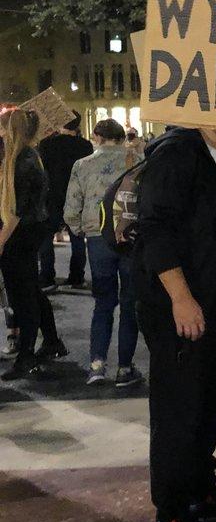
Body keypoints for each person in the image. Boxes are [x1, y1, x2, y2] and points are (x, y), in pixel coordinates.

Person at [136, 123, 216, 522]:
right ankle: (169, 518)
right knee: (178, 410)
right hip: (179, 304)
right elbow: (155, 229)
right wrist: (181, 298)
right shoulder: (177, 151)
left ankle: (201, 492)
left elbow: (215, 234)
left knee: (211, 400)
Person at [63, 119, 142, 387]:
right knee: (130, 302)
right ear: (121, 137)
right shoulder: (137, 160)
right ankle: (125, 367)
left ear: (97, 136)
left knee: (103, 302)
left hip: (98, 238)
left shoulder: (83, 165)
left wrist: (79, 229)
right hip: (130, 237)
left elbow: (72, 207)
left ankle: (97, 364)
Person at [0, 108, 65, 380]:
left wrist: (1, 241)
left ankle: (27, 355)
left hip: (21, 233)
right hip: (30, 230)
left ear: (10, 130)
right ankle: (51, 341)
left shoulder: (21, 161)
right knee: (30, 290)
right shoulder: (29, 157)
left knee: (22, 295)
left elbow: (17, 209)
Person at [37, 112, 92, 291]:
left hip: (52, 196)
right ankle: (76, 276)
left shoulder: (46, 145)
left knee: (46, 238)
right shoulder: (85, 146)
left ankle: (47, 277)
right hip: (76, 196)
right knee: (77, 237)